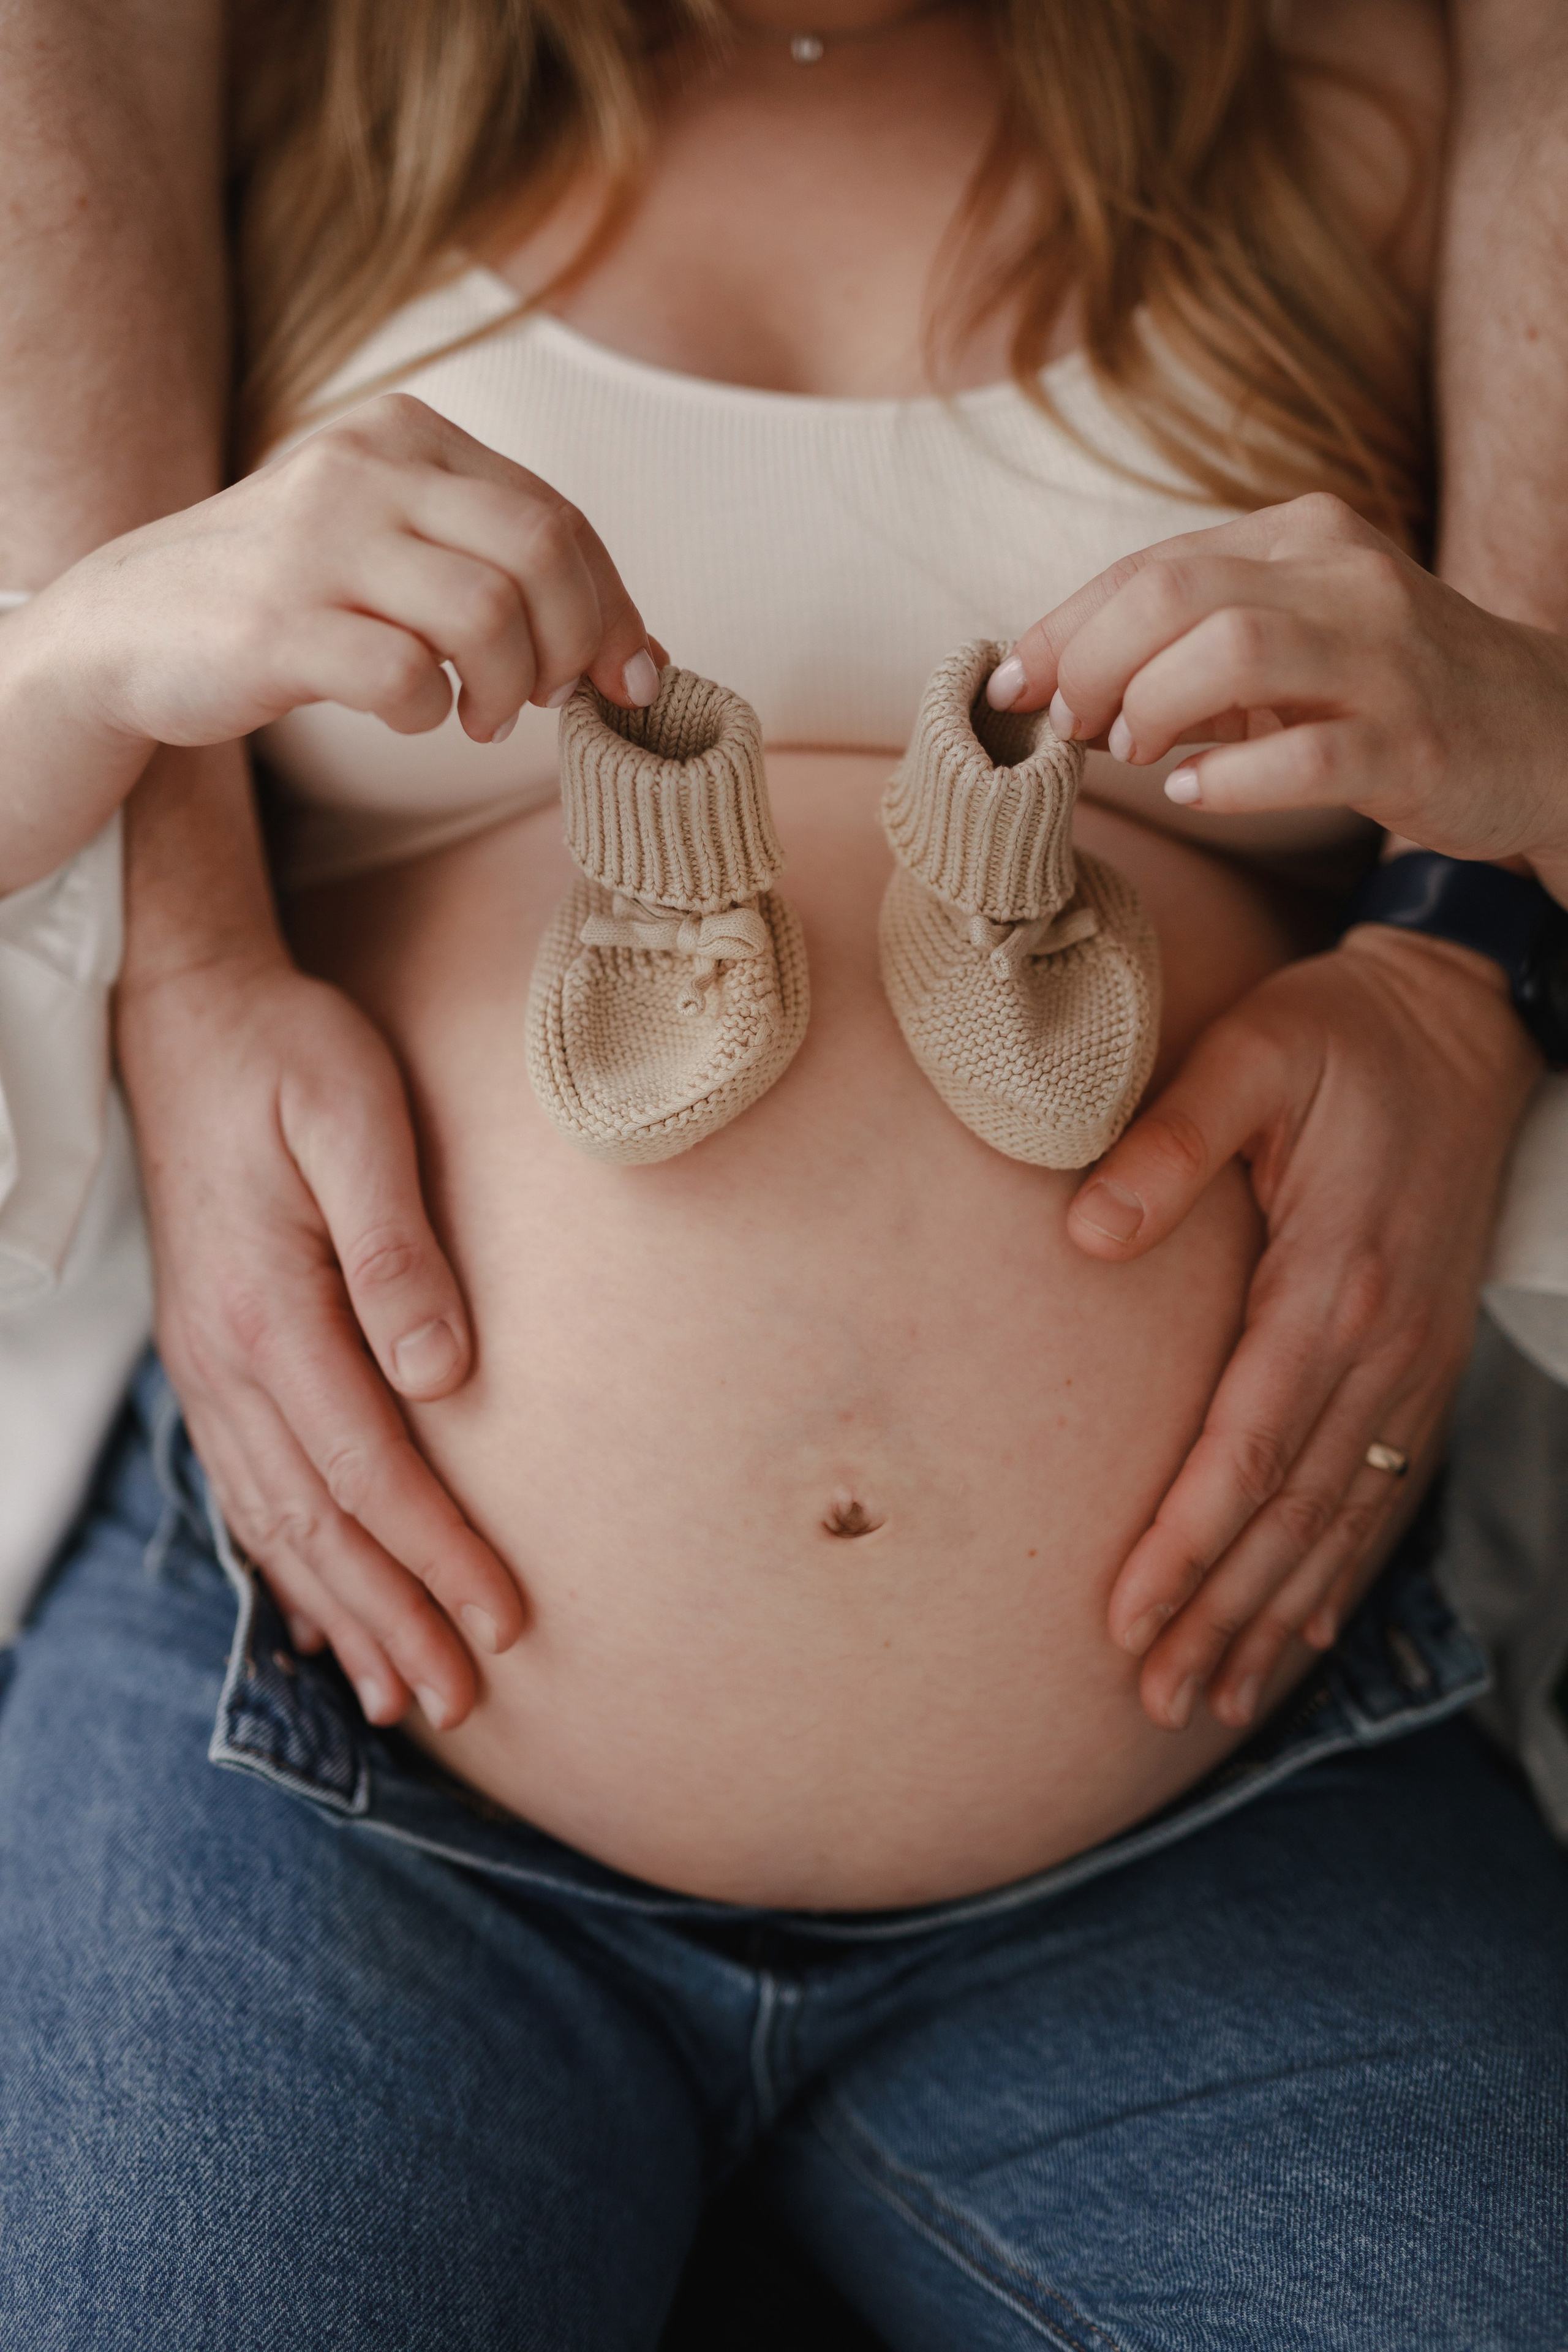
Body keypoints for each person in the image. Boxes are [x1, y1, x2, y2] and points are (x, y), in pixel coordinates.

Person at [2, 2, 1567, 2345]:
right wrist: (99, 684)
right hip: (322, 1705)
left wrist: (1499, 899)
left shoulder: (1388, 93)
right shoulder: (272, 102)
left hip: (1232, 1756)